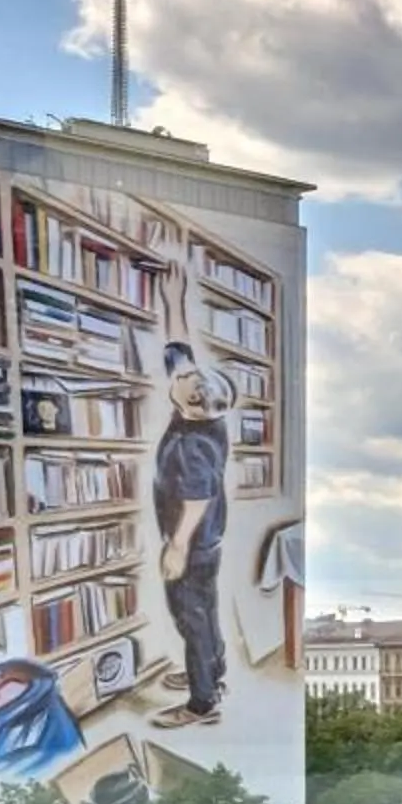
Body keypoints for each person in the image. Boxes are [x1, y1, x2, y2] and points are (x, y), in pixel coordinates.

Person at [149, 265, 236, 730]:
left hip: (195, 544)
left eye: (188, 382)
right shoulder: (203, 410)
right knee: (205, 610)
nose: (181, 376)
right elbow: (178, 355)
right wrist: (173, 301)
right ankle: (213, 672)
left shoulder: (193, 442)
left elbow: (198, 497)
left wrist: (176, 546)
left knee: (191, 617)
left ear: (192, 404)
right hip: (207, 543)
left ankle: (202, 703)